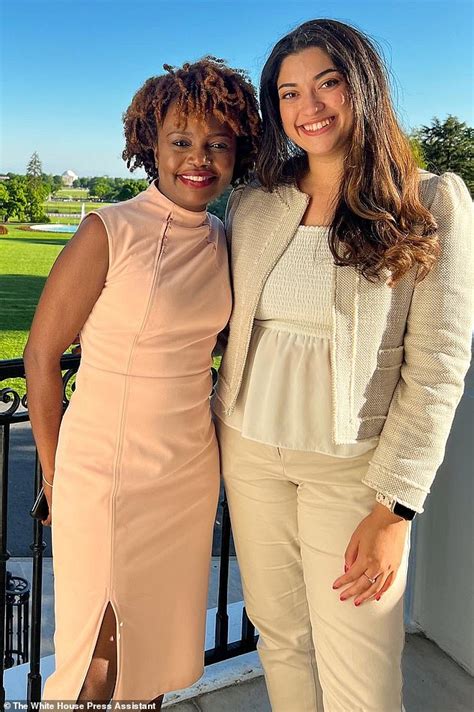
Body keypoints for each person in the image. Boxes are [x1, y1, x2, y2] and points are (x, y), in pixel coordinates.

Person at [212, 19, 473, 712]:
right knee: (281, 638)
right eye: (289, 92)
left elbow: (440, 362)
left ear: (362, 86)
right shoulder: (256, 201)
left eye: (327, 83)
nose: (310, 106)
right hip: (248, 451)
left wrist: (396, 507)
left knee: (360, 661)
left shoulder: (431, 200)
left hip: (352, 471)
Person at [24, 57, 260, 707]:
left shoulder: (223, 237)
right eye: (181, 141)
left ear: (239, 151)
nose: (199, 158)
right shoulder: (111, 229)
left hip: (186, 471)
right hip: (104, 471)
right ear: (149, 144)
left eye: (218, 144)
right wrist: (53, 471)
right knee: (98, 650)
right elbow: (42, 354)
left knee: (151, 646)